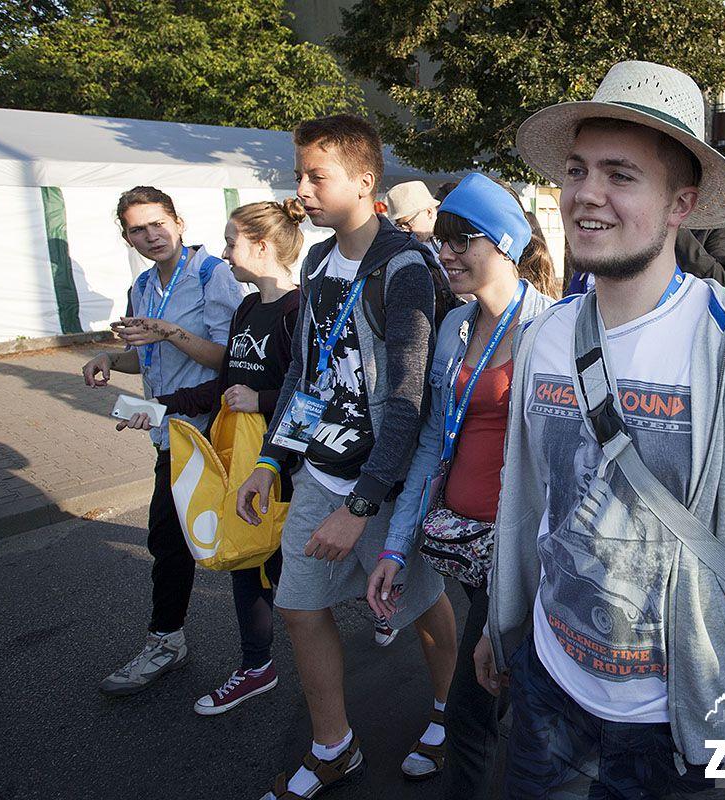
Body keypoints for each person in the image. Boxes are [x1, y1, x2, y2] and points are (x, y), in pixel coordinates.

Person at [477, 59, 725, 800]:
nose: (586, 193)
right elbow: (528, 508)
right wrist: (502, 622)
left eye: (621, 174)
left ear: (681, 205)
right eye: (578, 169)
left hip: (690, 732)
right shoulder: (546, 336)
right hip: (550, 696)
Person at [236, 115, 459, 797]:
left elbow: (407, 402)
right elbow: (307, 371)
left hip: (385, 488)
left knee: (421, 609)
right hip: (320, 474)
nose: (300, 188)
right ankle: (334, 746)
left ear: (366, 182)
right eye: (298, 174)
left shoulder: (405, 267)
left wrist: (362, 506)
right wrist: (271, 460)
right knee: (301, 610)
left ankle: (454, 714)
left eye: (316, 175)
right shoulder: (314, 259)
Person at [367, 173, 554, 800]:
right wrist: (396, 547)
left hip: (527, 560)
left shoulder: (552, 331)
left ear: (503, 243)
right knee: (494, 698)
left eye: (459, 240)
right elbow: (430, 444)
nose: (443, 253)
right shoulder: (453, 328)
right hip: (466, 550)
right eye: (439, 240)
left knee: (487, 709)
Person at [115, 198, 306, 714]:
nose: (223, 252)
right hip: (242, 455)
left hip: (287, 461)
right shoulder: (247, 307)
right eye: (138, 230)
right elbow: (224, 384)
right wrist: (158, 408)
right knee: (250, 559)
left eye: (230, 242)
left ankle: (344, 649)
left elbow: (313, 392)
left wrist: (263, 401)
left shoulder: (299, 309)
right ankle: (257, 665)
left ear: (261, 247)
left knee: (296, 571)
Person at [82, 186, 246, 696]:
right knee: (171, 540)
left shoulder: (212, 275)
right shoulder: (143, 286)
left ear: (177, 221)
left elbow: (230, 359)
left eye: (157, 224)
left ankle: (282, 638)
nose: (150, 236)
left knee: (241, 543)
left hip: (212, 435)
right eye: (137, 229)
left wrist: (168, 330)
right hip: (167, 433)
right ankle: (170, 639)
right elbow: (146, 356)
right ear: (127, 237)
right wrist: (112, 360)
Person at [385, 180, 441, 245]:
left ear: (429, 212)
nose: (406, 231)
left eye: (408, 224)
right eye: (400, 226)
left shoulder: (452, 235)